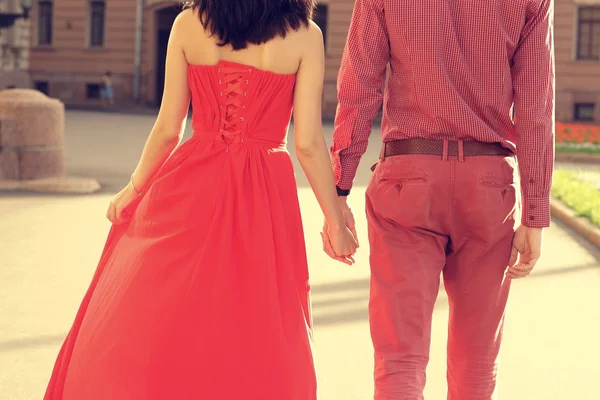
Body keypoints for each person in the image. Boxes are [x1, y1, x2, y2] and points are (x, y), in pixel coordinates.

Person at [43, 1, 358, 399]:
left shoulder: (188, 24)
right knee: (256, 315)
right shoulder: (306, 35)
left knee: (171, 305)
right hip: (263, 192)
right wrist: (334, 220)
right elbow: (309, 144)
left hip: (193, 180)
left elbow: (167, 130)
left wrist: (133, 189)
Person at [323, 0, 555, 399]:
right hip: (488, 187)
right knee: (476, 363)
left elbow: (359, 86)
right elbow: (536, 106)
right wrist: (534, 215)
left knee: (400, 360)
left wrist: (339, 190)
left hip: (407, 181)